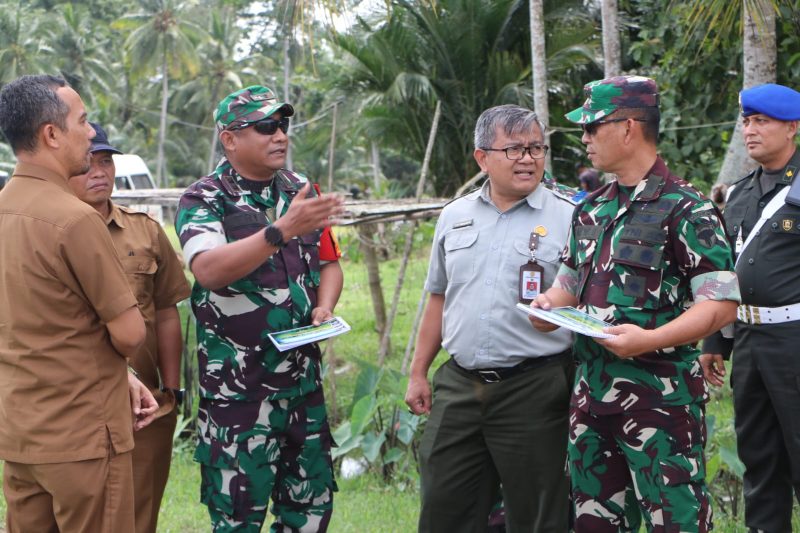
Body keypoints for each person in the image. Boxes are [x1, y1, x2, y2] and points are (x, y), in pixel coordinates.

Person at [531, 75, 741, 532]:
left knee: (676, 524)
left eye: (592, 127)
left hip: (660, 405)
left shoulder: (686, 208)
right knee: (594, 524)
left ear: (628, 128)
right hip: (590, 399)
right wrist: (547, 307)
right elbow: (568, 284)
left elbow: (721, 305)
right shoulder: (591, 209)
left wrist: (649, 339)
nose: (584, 138)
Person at [175, 85, 345, 532]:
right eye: (266, 127)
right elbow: (208, 270)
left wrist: (325, 307)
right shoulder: (204, 198)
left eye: (283, 125)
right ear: (230, 138)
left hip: (303, 389)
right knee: (237, 521)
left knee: (309, 513)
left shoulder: (301, 190)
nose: (280, 136)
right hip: (239, 396)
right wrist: (280, 229)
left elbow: (329, 264)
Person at [405, 104, 576, 532]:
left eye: (536, 148)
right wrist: (418, 371)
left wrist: (560, 314)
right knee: (445, 508)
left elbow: (585, 299)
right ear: (482, 158)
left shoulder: (570, 217)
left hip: (534, 387)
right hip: (459, 386)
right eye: (514, 149)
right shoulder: (455, 216)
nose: (528, 158)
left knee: (539, 516)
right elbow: (439, 297)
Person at [0, 75, 157, 532]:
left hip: (20, 433)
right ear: (51, 134)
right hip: (83, 437)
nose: (91, 133)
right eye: (83, 121)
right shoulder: (75, 220)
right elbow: (129, 333)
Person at [67, 122, 191, 533]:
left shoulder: (146, 231)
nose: (99, 172)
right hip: (73, 404)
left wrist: (171, 390)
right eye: (88, 164)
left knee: (138, 518)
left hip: (145, 410)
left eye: (106, 161)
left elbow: (167, 309)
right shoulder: (50, 233)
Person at [700, 83, 800, 533]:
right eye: (747, 121)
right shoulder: (739, 194)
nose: (750, 130)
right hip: (749, 343)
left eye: (762, 121)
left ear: (792, 127)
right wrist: (714, 339)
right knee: (758, 461)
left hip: (796, 342)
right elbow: (725, 271)